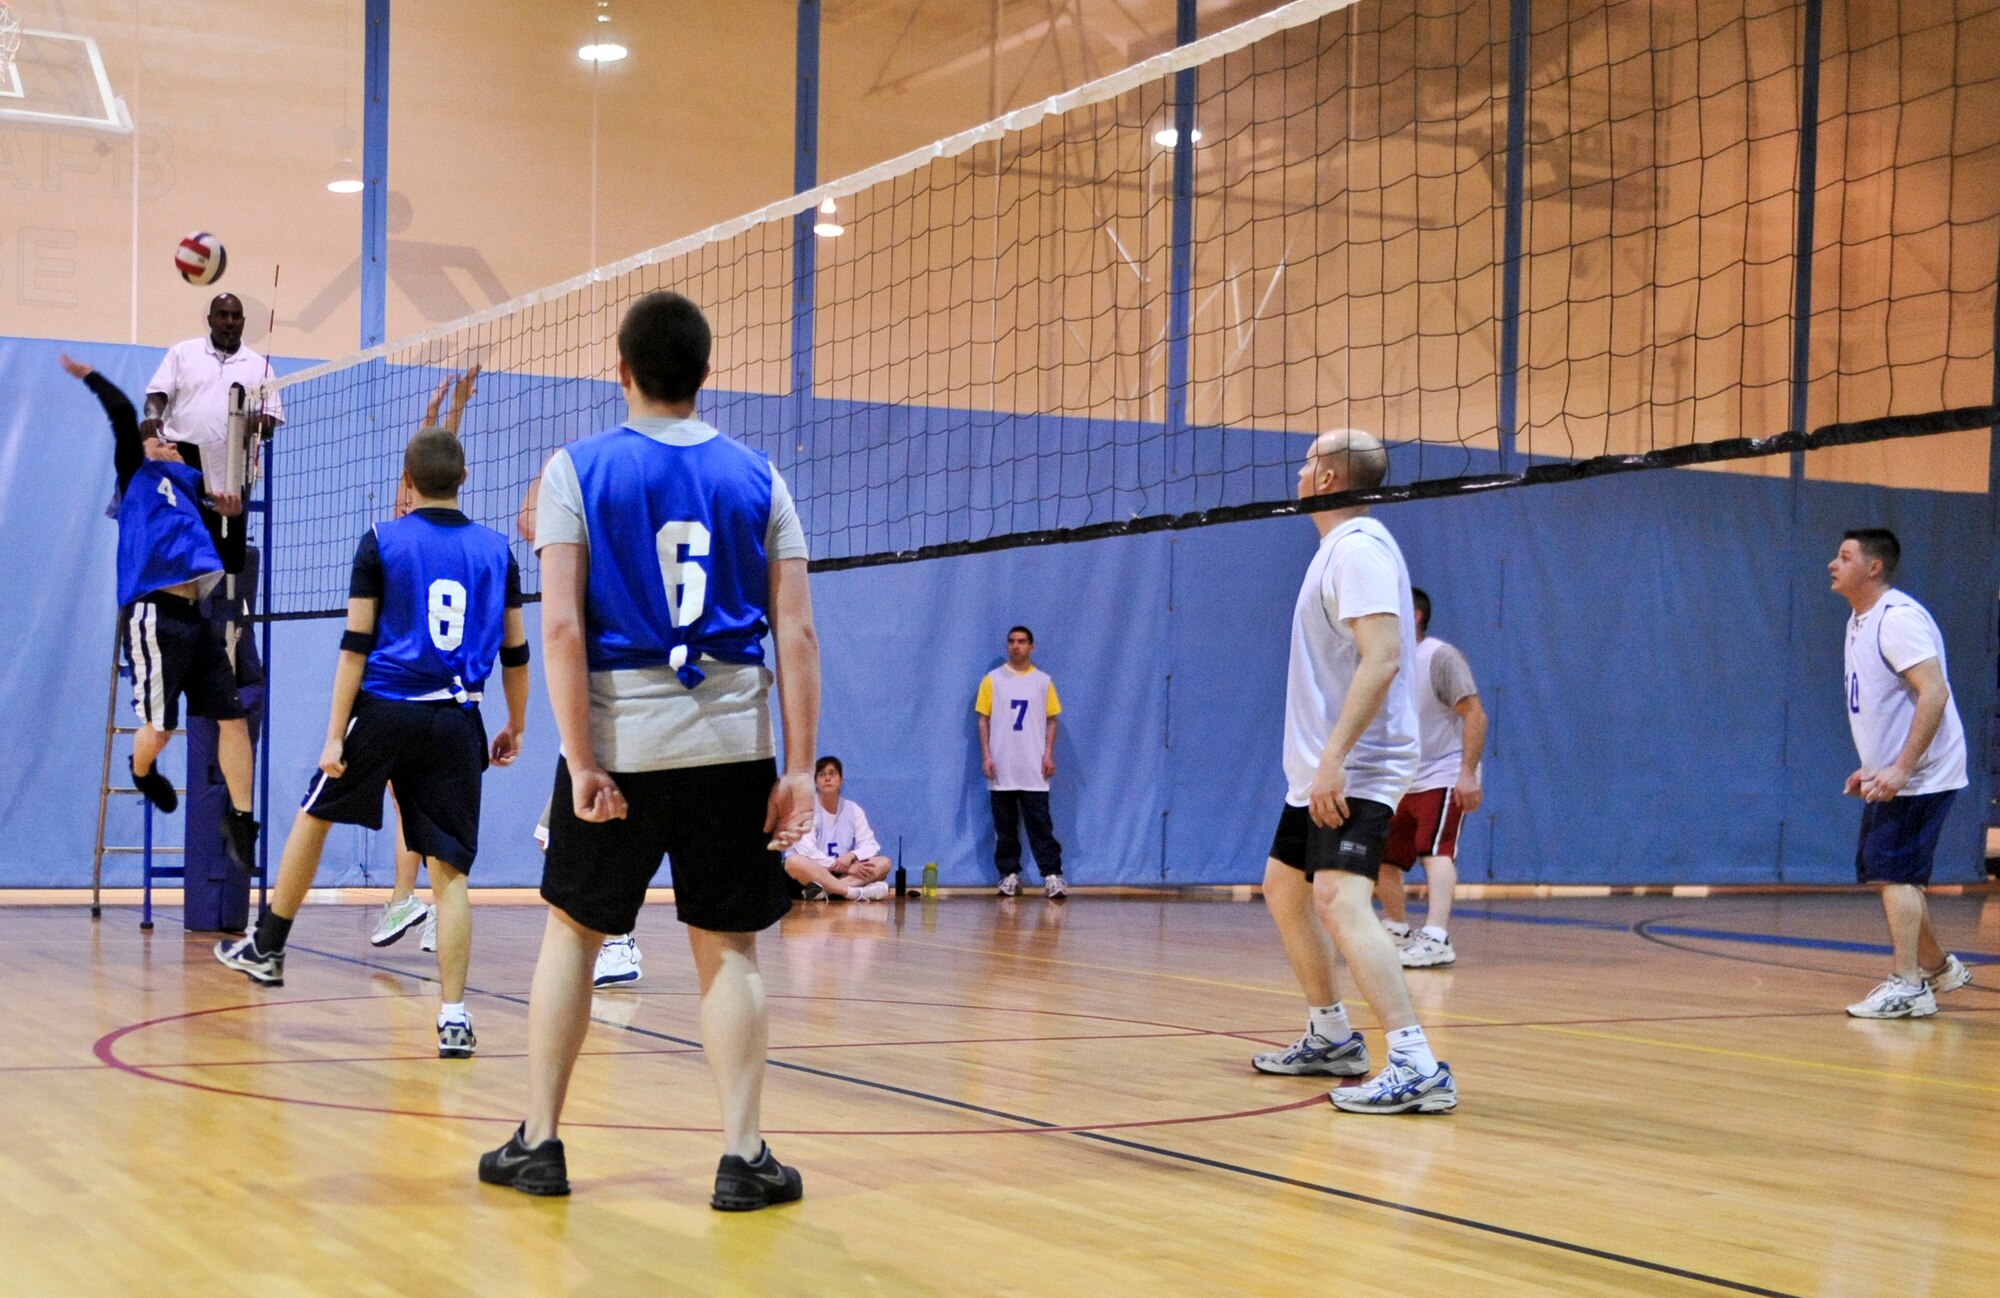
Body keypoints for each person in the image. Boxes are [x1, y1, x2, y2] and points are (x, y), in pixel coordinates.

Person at [478, 290, 820, 1209]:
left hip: (620, 744)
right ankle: (743, 1158)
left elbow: (559, 630)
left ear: (619, 369)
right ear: (705, 375)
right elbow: (797, 635)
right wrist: (796, 769)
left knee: (575, 935)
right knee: (728, 947)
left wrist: (582, 762)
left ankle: (540, 1144)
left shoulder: (574, 471)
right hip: (731, 745)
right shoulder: (760, 478)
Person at [215, 426, 530, 1062]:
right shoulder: (498, 551)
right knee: (450, 876)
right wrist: (514, 726)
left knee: (315, 814)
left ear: (407, 483)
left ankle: (270, 946)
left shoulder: (382, 540)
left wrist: (334, 733)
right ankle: (454, 1016)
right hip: (456, 717)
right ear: (463, 479)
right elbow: (517, 652)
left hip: (386, 710)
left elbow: (355, 644)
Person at [1252, 428, 1457, 1114]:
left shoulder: (1361, 550)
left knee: (1339, 900)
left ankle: (1416, 1062)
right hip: (1322, 766)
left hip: (1359, 762)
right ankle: (1332, 1036)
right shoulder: (1334, 550)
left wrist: (1335, 758)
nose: (1301, 467)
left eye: (1311, 459)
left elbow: (1384, 658)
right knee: (1284, 888)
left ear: (1331, 478)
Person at [63, 353, 261, 873]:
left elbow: (233, 558)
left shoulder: (194, 494)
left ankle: (241, 821)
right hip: (153, 613)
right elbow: (125, 418)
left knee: (233, 720)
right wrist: (93, 377)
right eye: (162, 441)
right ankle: (141, 767)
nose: (170, 445)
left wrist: (234, 517)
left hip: (198, 618)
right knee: (161, 726)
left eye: (173, 442)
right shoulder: (138, 476)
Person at [1829, 529, 1972, 1018]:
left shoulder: (1897, 619)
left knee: (1895, 872)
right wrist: (1875, 768)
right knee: (1886, 870)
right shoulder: (1860, 618)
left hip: (1924, 771)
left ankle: (1909, 985)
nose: (1833, 563)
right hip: (1898, 771)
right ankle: (1939, 968)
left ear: (1873, 567)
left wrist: (1903, 768)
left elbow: (1934, 693)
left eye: (1844, 557)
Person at [519, 462, 643, 988]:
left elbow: (528, 519)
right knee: (558, 835)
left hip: (611, 715)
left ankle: (618, 941)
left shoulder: (588, 557)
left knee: (583, 830)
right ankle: (613, 938)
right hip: (619, 713)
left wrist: (553, 468)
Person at [373, 367, 481, 953]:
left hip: (419, 691)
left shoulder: (399, 538)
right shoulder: (453, 543)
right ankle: (408, 902)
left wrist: (441, 415)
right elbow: (432, 471)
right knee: (414, 806)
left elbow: (422, 473)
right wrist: (451, 412)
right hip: (454, 695)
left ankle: (413, 902)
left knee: (415, 805)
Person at [1374, 587, 1486, 968]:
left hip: (1443, 771)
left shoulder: (1439, 657)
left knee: (1434, 851)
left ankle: (1437, 936)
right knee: (1382, 856)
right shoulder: (1384, 662)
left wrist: (1467, 773)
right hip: (1401, 776)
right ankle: (1397, 929)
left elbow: (1475, 714)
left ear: (1416, 616)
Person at [143, 293, 285, 570]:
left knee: (227, 553)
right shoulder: (183, 353)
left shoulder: (260, 366)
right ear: (210, 318)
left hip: (233, 465)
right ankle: (177, 605)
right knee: (179, 541)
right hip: (183, 459)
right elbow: (157, 394)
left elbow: (271, 418)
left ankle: (225, 608)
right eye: (222, 315)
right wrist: (151, 418)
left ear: (243, 321)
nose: (229, 322)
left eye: (235, 316)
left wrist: (245, 423)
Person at [976, 626, 1066, 898]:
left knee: (1040, 825)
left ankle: (1052, 875)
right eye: (1012, 641)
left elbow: (1051, 720)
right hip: (1002, 767)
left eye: (1022, 642)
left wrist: (1048, 754)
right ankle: (1009, 875)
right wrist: (987, 756)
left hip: (1032, 768)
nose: (1016, 646)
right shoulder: (992, 680)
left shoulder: (1042, 681)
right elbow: (984, 719)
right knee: (1005, 828)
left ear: (1031, 647)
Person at [785, 756, 893, 901]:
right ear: (815, 782)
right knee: (793, 861)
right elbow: (807, 851)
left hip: (838, 875)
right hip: (813, 873)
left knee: (883, 862)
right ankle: (853, 892)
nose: (827, 778)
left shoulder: (853, 810)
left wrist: (851, 856)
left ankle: (826, 892)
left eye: (832, 773)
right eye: (822, 774)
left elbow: (871, 845)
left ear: (841, 780)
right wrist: (845, 868)